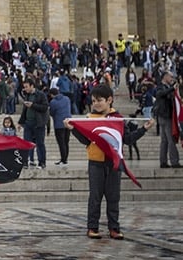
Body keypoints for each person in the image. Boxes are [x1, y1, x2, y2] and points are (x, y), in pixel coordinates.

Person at [65, 84, 154, 240]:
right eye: (93, 101)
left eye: (99, 100)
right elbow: (86, 140)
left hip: (114, 163)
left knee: (113, 197)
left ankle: (114, 228)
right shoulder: (90, 119)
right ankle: (92, 227)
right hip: (95, 163)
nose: (96, 104)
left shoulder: (118, 119)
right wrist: (72, 129)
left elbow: (127, 140)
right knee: (95, 197)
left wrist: (144, 129)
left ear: (109, 100)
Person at [18, 78, 49, 169]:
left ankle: (42, 162)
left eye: (27, 87)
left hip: (38, 123)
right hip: (28, 123)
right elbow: (25, 110)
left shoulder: (40, 95)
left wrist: (33, 105)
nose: (25, 89)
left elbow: (45, 107)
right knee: (26, 143)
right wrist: (20, 122)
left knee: (40, 143)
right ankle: (25, 162)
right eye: (24, 87)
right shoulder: (27, 95)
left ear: (32, 86)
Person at [153, 71, 181, 168]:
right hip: (165, 116)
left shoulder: (167, 87)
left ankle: (163, 161)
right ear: (165, 77)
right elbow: (160, 94)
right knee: (170, 139)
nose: (172, 78)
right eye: (170, 76)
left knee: (164, 140)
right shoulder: (161, 86)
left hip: (166, 116)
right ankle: (174, 161)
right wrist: (172, 89)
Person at [49, 88, 72, 165]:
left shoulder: (53, 102)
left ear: (52, 94)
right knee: (66, 141)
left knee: (61, 142)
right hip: (68, 122)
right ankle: (65, 158)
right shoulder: (67, 99)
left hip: (59, 124)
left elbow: (52, 112)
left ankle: (63, 159)